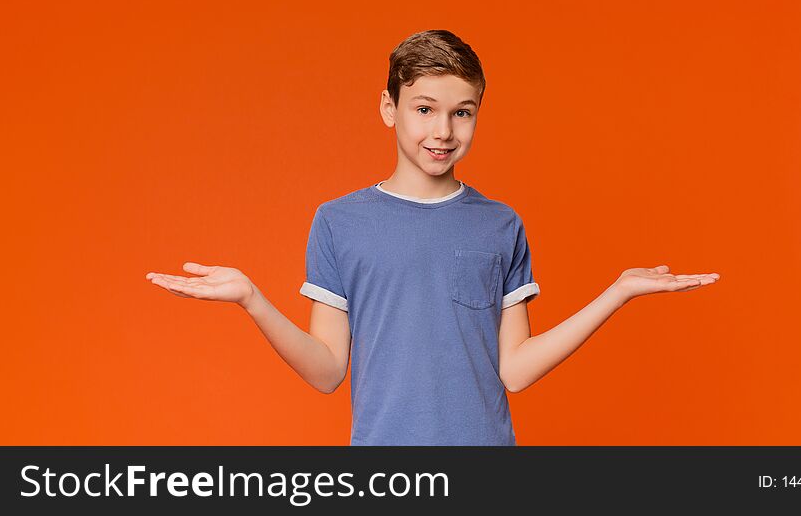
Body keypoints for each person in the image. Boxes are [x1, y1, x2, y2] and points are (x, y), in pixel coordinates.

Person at [145, 29, 720, 446]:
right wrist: (253, 299)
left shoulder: (501, 225)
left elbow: (514, 370)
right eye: (425, 108)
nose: (443, 131)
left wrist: (615, 293)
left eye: (462, 113)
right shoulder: (338, 222)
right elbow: (326, 371)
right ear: (389, 108)